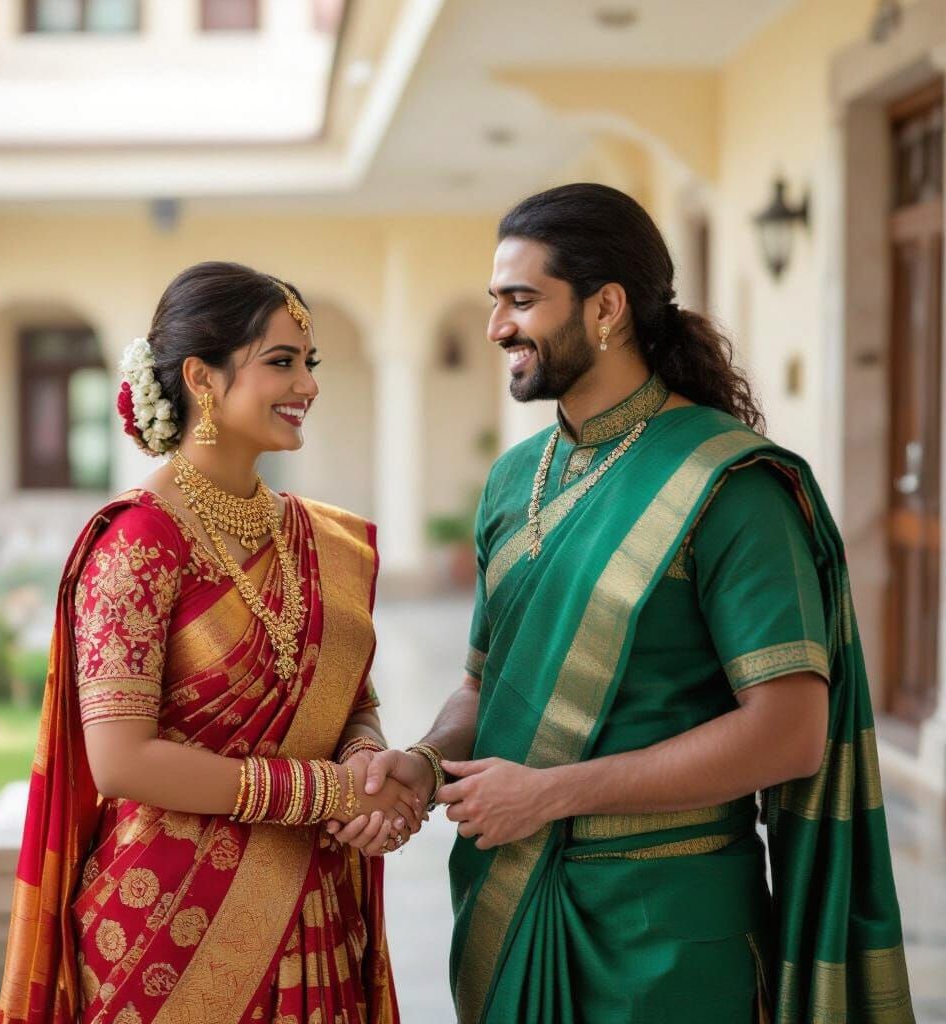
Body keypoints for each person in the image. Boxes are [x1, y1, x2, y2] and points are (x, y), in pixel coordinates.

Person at [352, 184, 915, 1023]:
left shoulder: (729, 486)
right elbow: (482, 684)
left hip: (670, 931)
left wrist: (550, 793)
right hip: (512, 907)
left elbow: (791, 734)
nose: (496, 328)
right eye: (494, 301)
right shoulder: (514, 480)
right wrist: (427, 763)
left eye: (521, 300)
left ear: (607, 306)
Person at [0, 261, 424, 1024]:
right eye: (282, 363)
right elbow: (120, 759)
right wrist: (323, 791)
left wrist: (363, 760)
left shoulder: (317, 537)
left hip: (314, 908)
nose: (309, 387)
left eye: (310, 364)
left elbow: (348, 698)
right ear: (203, 377)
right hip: (165, 934)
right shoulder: (137, 542)